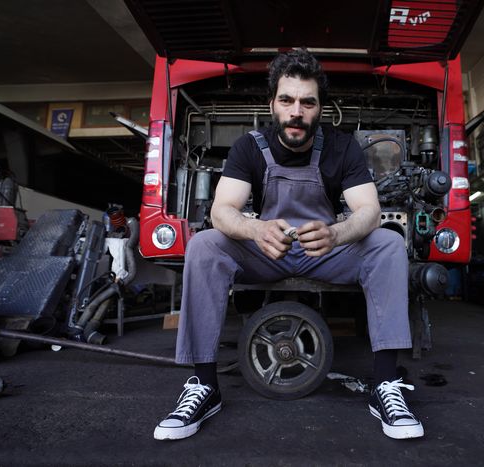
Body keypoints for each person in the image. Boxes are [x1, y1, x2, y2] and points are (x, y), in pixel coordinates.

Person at [154, 48, 423, 441]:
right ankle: (204, 385)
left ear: (320, 109)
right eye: (287, 100)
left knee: (387, 243)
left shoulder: (342, 146)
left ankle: (385, 384)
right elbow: (222, 210)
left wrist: (336, 234)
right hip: (268, 251)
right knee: (206, 245)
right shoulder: (249, 147)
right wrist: (255, 230)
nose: (296, 112)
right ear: (272, 105)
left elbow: (369, 211)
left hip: (325, 252)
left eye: (307, 103)